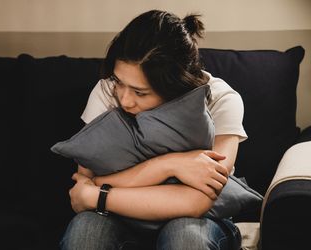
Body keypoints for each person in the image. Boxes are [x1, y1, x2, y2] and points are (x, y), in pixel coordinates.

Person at [60, 9, 247, 250]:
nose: (125, 100)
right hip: (119, 217)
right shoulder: (106, 91)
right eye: (119, 82)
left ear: (175, 84)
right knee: (85, 234)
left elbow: (197, 201)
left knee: (185, 238)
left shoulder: (221, 99)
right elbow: (83, 184)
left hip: (199, 220)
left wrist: (100, 193)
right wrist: (171, 165)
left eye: (140, 92)